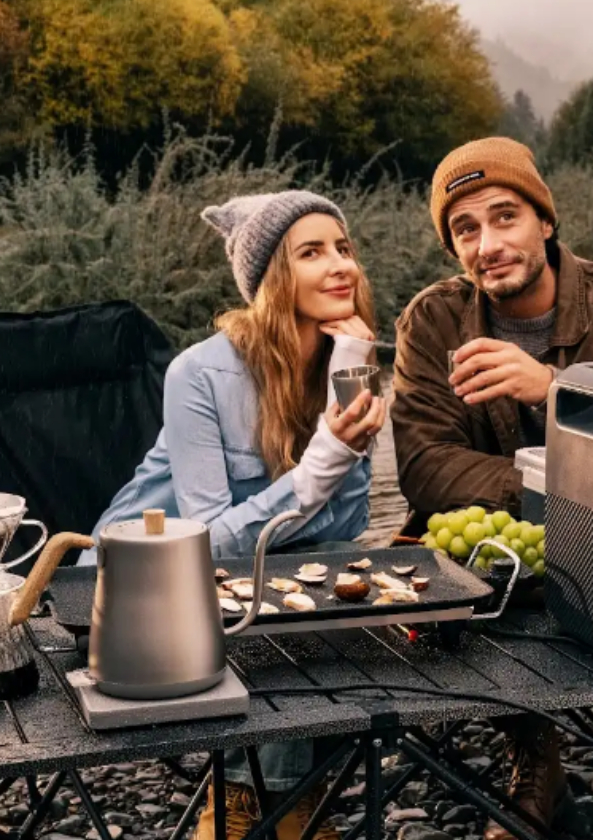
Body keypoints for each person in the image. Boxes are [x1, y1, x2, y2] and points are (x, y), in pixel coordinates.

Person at [390, 137, 593, 840]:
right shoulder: (433, 322)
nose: (488, 243)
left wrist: (560, 394)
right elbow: (426, 466)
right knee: (432, 570)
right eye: (466, 229)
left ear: (545, 222)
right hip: (503, 546)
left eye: (505, 217)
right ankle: (534, 753)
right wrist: (548, 494)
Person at [83, 190, 386, 840]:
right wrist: (325, 460)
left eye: (344, 248)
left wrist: (352, 382)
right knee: (282, 586)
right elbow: (208, 547)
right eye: (312, 252)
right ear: (273, 277)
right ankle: (261, 807)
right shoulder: (200, 373)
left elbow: (344, 528)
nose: (342, 266)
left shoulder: (340, 358)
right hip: (124, 590)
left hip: (240, 589)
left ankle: (279, 797)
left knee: (335, 577)